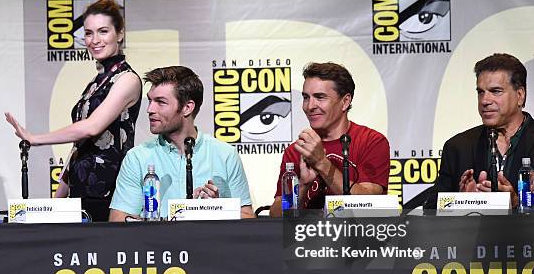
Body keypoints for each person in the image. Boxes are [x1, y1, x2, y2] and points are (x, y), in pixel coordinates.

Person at [5, 0, 142, 221]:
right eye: (88, 33)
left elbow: (91, 127)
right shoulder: (95, 83)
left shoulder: (127, 80)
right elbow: (79, 147)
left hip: (113, 194)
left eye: (103, 31)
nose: (94, 40)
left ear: (120, 34)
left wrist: (35, 138)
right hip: (81, 193)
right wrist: (56, 203)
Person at [109, 66, 255, 221]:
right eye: (150, 100)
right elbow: (118, 220)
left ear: (187, 107)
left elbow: (248, 220)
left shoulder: (225, 155)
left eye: (160, 102)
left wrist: (217, 209)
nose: (150, 109)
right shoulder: (137, 158)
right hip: (158, 245)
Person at [269, 62, 390, 217]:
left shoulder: (371, 141)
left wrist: (321, 163)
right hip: (306, 239)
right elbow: (276, 217)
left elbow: (370, 207)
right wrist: (302, 186)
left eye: (320, 97)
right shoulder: (298, 149)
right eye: (306, 97)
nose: (310, 106)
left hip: (357, 239)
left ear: (345, 102)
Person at [425, 53, 530, 209]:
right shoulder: (457, 147)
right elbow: (431, 207)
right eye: (481, 92)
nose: (485, 101)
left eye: (496, 91)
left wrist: (518, 203)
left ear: (520, 95)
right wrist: (462, 201)